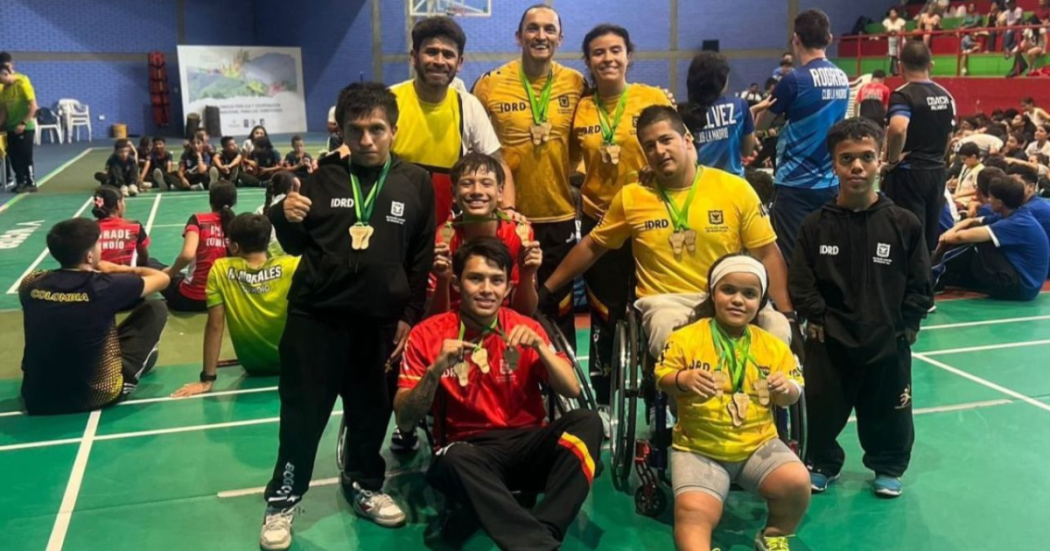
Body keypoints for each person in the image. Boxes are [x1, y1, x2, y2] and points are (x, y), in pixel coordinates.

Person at [259, 82, 435, 549]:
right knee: (302, 415)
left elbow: (420, 255)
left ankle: (364, 484)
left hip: (380, 323)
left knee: (371, 412)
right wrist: (283, 214)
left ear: (394, 129)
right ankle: (282, 499)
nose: (367, 139)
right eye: (356, 130)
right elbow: (294, 245)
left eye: (377, 129)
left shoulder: (415, 182)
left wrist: (409, 314)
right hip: (315, 318)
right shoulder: (319, 178)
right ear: (341, 131)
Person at [395, 238, 602, 551]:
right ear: (457, 283)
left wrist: (541, 348)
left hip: (528, 444)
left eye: (496, 280)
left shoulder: (525, 327)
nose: (486, 289)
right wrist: (434, 372)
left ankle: (542, 532)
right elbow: (405, 419)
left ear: (508, 288)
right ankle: (537, 542)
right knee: (454, 458)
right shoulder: (427, 334)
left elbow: (572, 388)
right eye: (475, 278)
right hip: (469, 453)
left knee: (588, 422)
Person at [544, 106, 797, 361]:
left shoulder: (735, 189)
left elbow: (767, 253)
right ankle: (695, 385)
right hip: (667, 303)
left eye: (666, 140)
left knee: (777, 329)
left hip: (728, 294)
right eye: (650, 146)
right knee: (667, 331)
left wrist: (788, 315)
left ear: (687, 140)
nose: (659, 151)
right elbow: (591, 247)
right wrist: (547, 289)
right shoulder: (632, 198)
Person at [790, 117, 933, 498]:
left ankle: (887, 466)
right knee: (820, 408)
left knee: (890, 411)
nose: (857, 166)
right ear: (834, 164)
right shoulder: (815, 225)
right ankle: (822, 462)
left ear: (880, 160)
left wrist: (910, 320)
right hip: (829, 338)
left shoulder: (904, 223)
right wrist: (814, 313)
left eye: (866, 157)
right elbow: (801, 278)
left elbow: (920, 277)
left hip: (887, 338)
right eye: (847, 158)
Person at [656, 254, 808, 551]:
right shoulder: (685, 338)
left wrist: (785, 390)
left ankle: (773, 535)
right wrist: (683, 379)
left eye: (749, 294)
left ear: (760, 302)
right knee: (693, 515)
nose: (738, 300)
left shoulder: (773, 346)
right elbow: (662, 377)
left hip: (758, 447)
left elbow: (794, 391)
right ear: (713, 293)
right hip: (699, 449)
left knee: (796, 483)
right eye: (729, 290)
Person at [568, 23, 673, 401]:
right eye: (598, 52)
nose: (608, 58)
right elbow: (571, 162)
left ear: (629, 55)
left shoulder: (652, 97)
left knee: (653, 305)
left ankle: (659, 384)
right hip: (600, 219)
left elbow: (679, 150)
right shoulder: (580, 108)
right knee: (605, 315)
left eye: (615, 50)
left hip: (649, 218)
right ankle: (604, 396)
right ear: (588, 61)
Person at [471, 3, 585, 345]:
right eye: (533, 28)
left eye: (549, 29)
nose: (541, 36)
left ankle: (558, 375)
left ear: (560, 38)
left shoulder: (576, 83)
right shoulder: (489, 84)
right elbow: (472, 143)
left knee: (557, 310)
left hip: (559, 217)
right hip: (506, 218)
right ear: (518, 36)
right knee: (505, 307)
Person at [19, 218, 169, 415]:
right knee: (156, 308)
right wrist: (121, 269)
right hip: (96, 395)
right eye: (98, 244)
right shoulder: (105, 285)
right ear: (90, 256)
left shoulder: (31, 282)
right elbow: (163, 279)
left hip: (36, 398)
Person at [392, 16, 512, 227]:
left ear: (459, 63)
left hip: (445, 226)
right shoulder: (390, 101)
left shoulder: (468, 105)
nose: (439, 61)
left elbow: (498, 164)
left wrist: (509, 210)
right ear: (414, 57)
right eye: (431, 52)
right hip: (396, 217)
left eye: (448, 54)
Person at [756, 9, 850, 264]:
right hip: (830, 182)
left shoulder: (793, 81)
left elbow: (761, 124)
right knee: (826, 255)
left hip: (794, 185)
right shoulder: (843, 79)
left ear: (796, 39)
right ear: (829, 38)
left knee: (792, 258)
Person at [171, 213, 300, 398]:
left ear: (234, 246)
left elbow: (215, 326)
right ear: (267, 242)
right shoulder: (292, 265)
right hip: (294, 363)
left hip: (254, 366)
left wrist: (207, 379)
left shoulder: (220, 269)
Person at [428, 152, 541, 319]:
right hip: (455, 321)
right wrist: (443, 281)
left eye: (486, 183)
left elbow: (524, 313)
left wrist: (527, 275)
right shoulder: (442, 239)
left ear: (500, 192)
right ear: (453, 193)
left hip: (504, 321)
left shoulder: (519, 233)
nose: (477, 191)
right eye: (467, 183)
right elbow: (436, 320)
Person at [883, 40, 957, 253]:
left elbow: (898, 128)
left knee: (906, 234)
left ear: (900, 67)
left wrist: (892, 160)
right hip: (936, 172)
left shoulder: (903, 95)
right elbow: (949, 136)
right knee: (929, 236)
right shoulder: (946, 96)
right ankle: (926, 272)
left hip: (909, 173)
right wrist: (937, 159)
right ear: (930, 65)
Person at [936, 175, 1049, 300]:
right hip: (1026, 282)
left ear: (1000, 203)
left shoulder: (1016, 223)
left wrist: (945, 239)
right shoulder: (1013, 213)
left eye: (991, 198)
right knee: (975, 234)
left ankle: (935, 273)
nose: (989, 200)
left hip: (1022, 288)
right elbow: (971, 221)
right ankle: (946, 275)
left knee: (978, 240)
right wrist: (950, 232)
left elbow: (961, 237)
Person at [680, 51, 762, 177]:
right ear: (721, 80)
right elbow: (746, 151)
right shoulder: (739, 106)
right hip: (733, 183)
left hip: (700, 184)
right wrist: (750, 116)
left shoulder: (681, 113)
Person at [162, 181, 236, 312]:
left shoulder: (198, 220)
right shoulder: (238, 224)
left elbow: (187, 255)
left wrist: (169, 273)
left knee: (153, 265)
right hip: (225, 300)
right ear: (233, 202)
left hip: (192, 299)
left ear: (211, 201)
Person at [0, 56, 37, 193]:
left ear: (5, 73)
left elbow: (33, 107)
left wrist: (23, 123)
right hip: (11, 127)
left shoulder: (22, 82)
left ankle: (31, 182)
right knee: (14, 157)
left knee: (25, 156)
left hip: (25, 127)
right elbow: (4, 110)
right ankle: (20, 181)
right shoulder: (4, 89)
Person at [92, 186, 153, 267]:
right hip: (124, 274)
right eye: (123, 201)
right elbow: (143, 259)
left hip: (96, 274)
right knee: (154, 263)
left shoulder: (88, 229)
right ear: (118, 204)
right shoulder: (134, 225)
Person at [950, 142, 984, 208]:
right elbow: (962, 180)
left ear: (973, 157)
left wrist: (958, 195)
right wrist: (949, 183)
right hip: (956, 198)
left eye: (964, 159)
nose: (962, 161)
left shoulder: (980, 170)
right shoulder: (965, 166)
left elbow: (977, 190)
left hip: (966, 202)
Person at [883, 8, 907, 75]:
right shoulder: (886, 21)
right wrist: (891, 31)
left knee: (900, 54)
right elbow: (885, 31)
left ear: (897, 13)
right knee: (892, 55)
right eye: (891, 13)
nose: (892, 14)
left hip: (900, 38)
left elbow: (904, 31)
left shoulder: (901, 21)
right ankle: (894, 71)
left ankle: (902, 70)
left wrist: (898, 32)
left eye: (894, 13)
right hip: (891, 39)